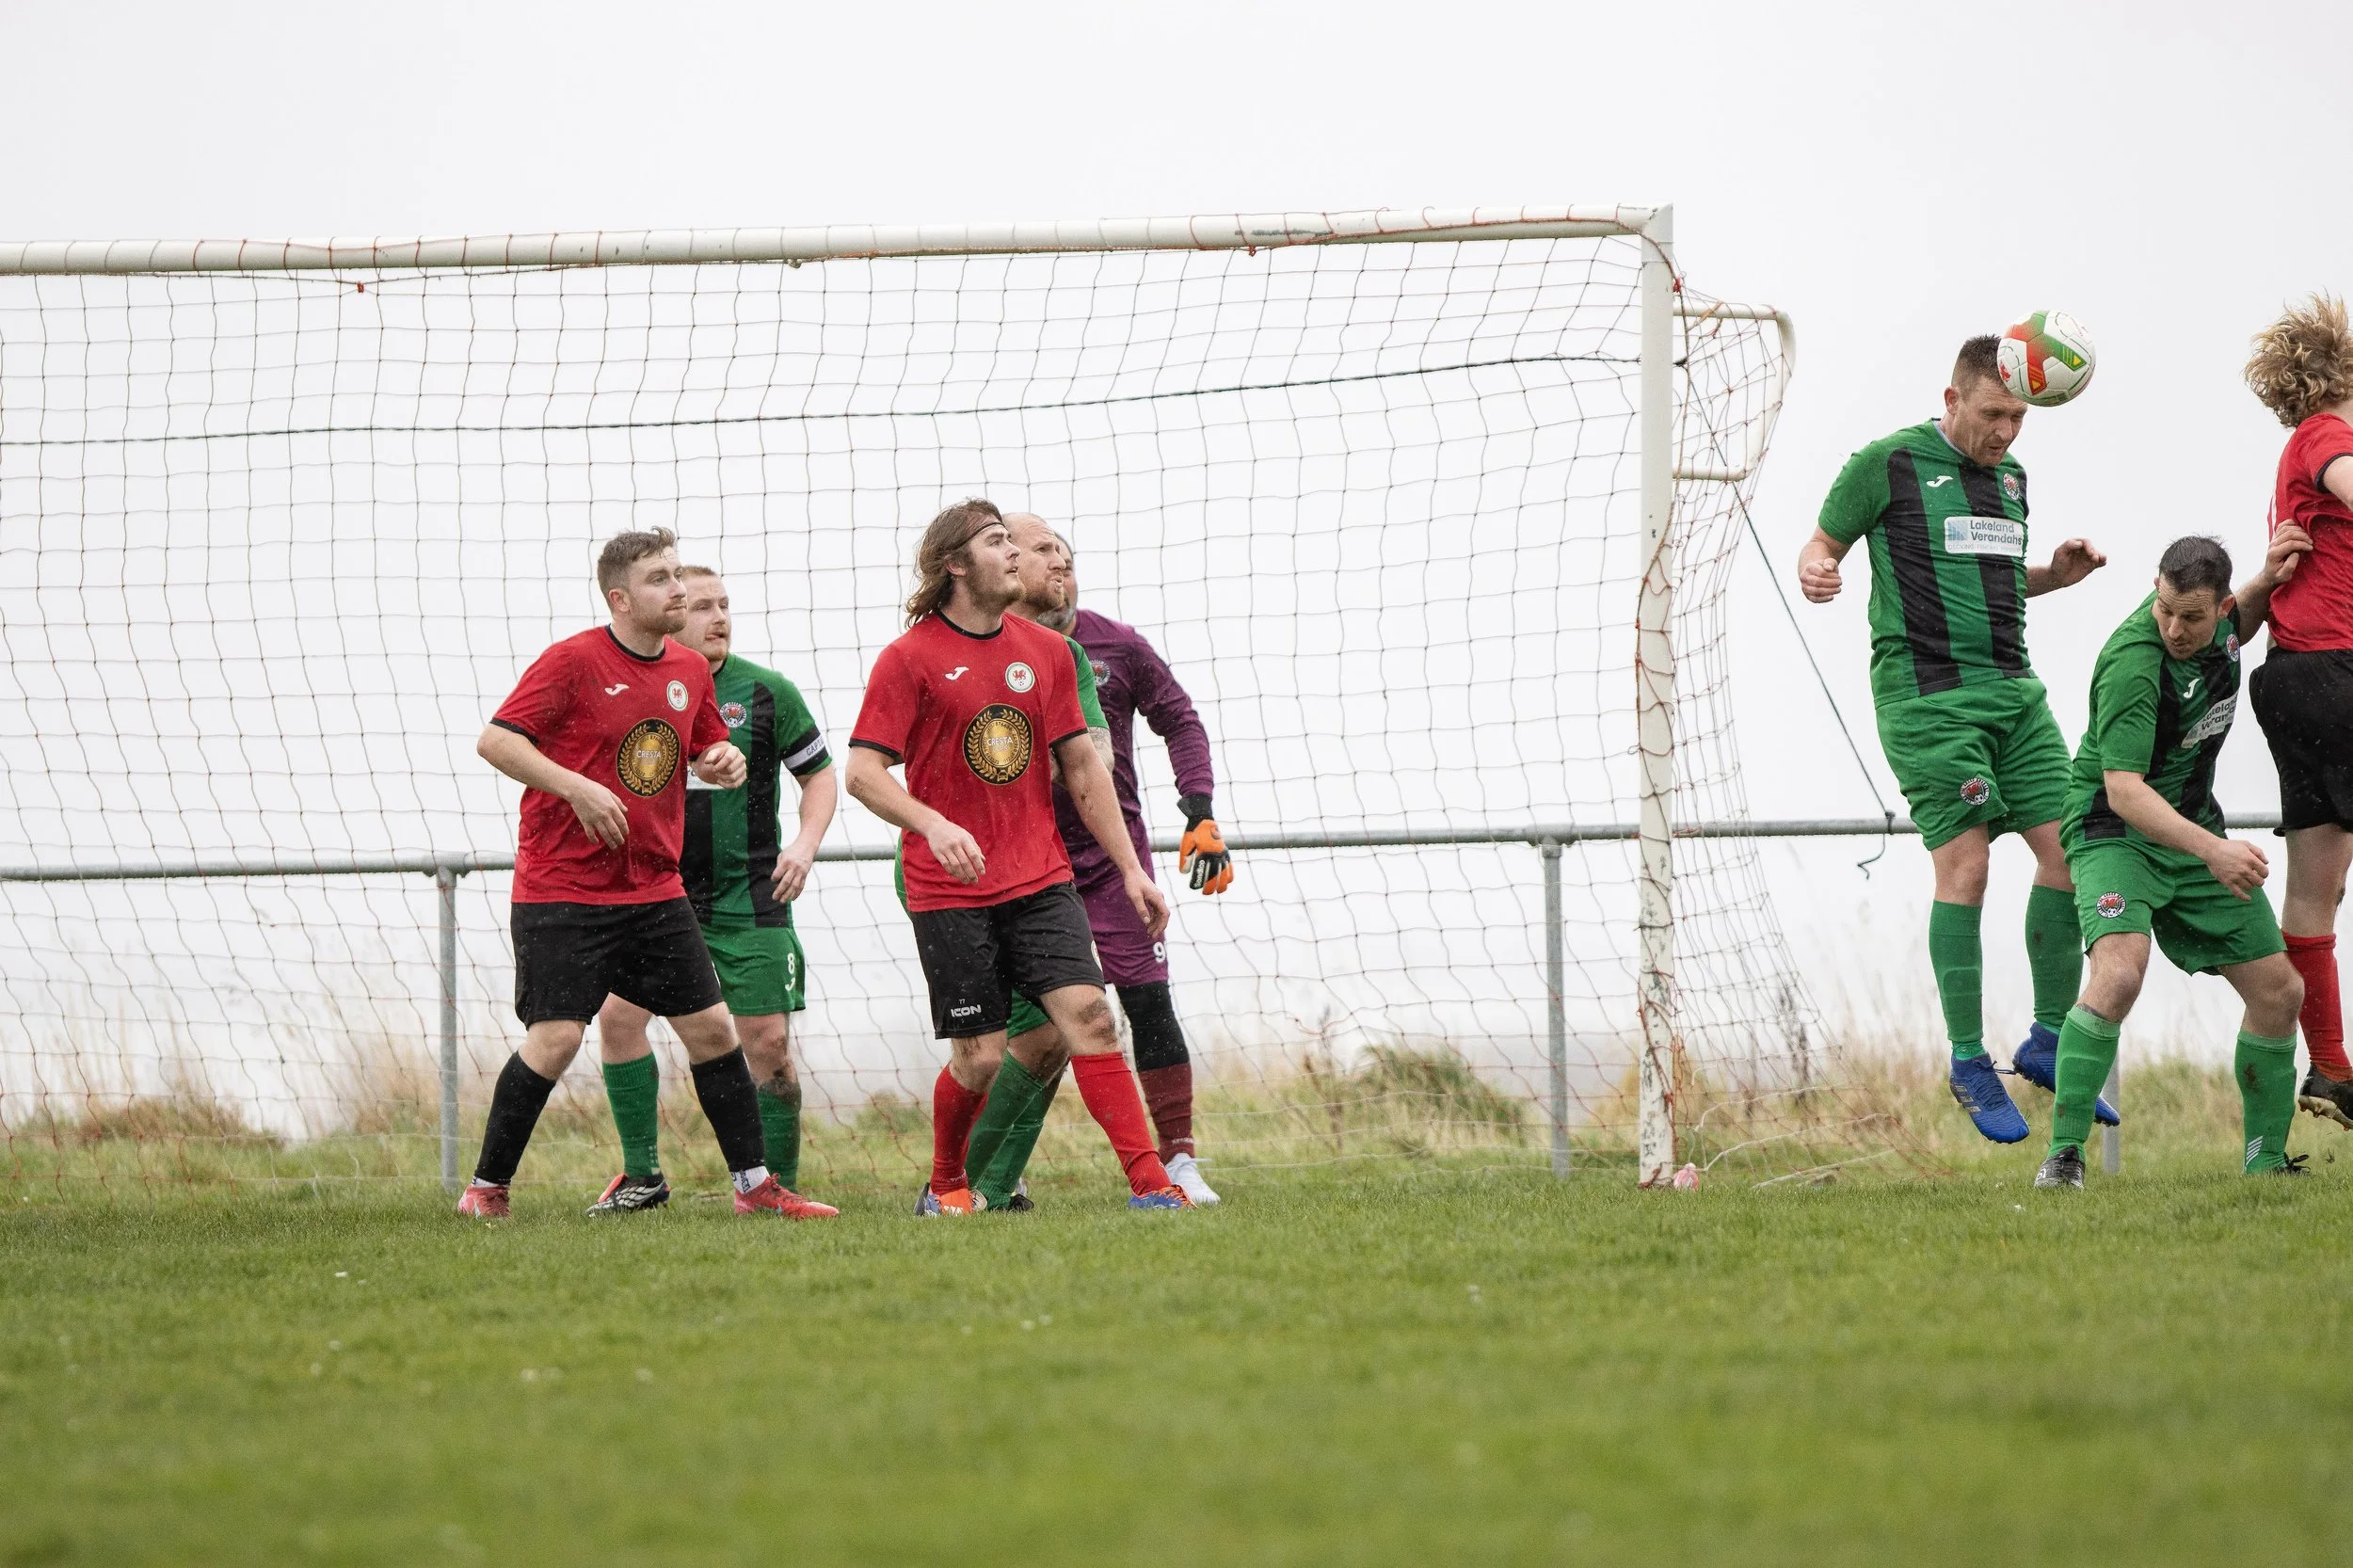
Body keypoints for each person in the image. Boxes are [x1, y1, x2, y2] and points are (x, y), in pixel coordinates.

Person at [1800, 334, 2110, 1143]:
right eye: (1992, 414)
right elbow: (1820, 546)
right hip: (1929, 703)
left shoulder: (2011, 478)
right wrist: (1817, 569)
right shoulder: (1888, 463)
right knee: (1967, 865)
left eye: (2018, 417)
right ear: (1952, 400)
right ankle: (1969, 1062)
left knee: (2069, 853)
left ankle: (2046, 1041)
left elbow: (1991, 576)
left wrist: (2054, 576)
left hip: (2017, 696)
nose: (2006, 431)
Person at [460, 528, 823, 1219]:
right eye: (660, 579)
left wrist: (722, 760)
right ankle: (486, 1189)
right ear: (621, 598)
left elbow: (703, 745)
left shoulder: (687, 667)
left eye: (675, 577)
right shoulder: (571, 661)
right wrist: (576, 787)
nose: (677, 590)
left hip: (655, 890)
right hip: (564, 888)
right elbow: (496, 741)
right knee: (559, 1037)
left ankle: (755, 1187)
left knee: (714, 1031)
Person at [845, 497, 1191, 1212]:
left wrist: (1132, 870)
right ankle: (947, 1187)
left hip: (1039, 877)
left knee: (1091, 1018)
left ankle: (1153, 1186)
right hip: (951, 887)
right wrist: (932, 824)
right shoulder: (907, 659)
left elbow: (1085, 769)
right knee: (980, 1057)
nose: (1015, 553)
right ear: (955, 565)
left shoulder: (1050, 655)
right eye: (997, 541)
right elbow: (862, 773)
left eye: (1013, 540)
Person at [2034, 535, 2310, 1188]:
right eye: (2164, 610)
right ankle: (2063, 1157)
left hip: (2188, 828)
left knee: (2280, 991)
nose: (2174, 629)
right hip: (2114, 828)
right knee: (2120, 974)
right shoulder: (2135, 662)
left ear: (2216, 611)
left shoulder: (2225, 627)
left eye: (2191, 616)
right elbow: (2125, 790)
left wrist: (2271, 577)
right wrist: (2214, 851)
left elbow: (2244, 613)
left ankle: (2266, 1164)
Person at [588, 566, 840, 1217]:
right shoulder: (636, 685)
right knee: (618, 1021)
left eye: (724, 605)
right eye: (702, 606)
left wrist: (804, 846)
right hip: (658, 895)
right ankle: (641, 1175)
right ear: (669, 613)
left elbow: (820, 776)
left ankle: (768, 1188)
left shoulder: (766, 690)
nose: (718, 617)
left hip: (750, 897)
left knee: (769, 1046)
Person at [1024, 519, 1230, 1205]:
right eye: (1045, 552)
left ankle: (1179, 1160)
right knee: (1025, 1024)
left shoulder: (1118, 643)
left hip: (1115, 864)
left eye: (1068, 555)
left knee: (1148, 1001)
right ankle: (996, 1167)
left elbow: (1181, 719)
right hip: (1025, 863)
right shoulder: (993, 649)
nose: (1061, 565)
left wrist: (1197, 812)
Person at [2244, 295, 2353, 1130]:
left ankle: (2329, 1069)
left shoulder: (2302, 445)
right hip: (2333, 674)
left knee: (2316, 887)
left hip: (2295, 675)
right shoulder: (2325, 436)